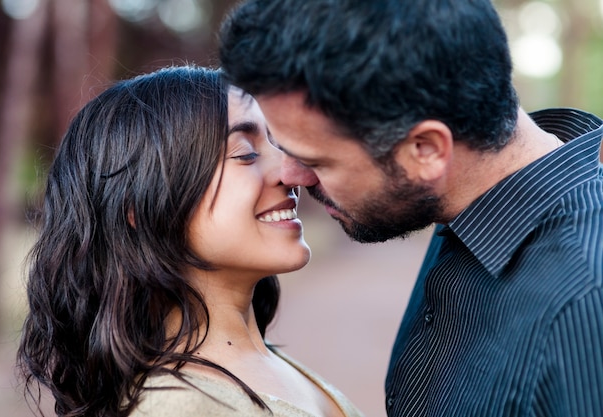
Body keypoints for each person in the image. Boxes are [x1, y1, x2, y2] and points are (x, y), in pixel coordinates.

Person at [218, 1, 603, 416]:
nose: (292, 176)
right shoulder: (464, 208)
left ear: (426, 150)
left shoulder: (583, 303)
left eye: (316, 161)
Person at [16, 65, 364, 417]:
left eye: (277, 143)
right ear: (141, 205)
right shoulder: (175, 406)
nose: (293, 172)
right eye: (245, 153)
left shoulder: (266, 365)